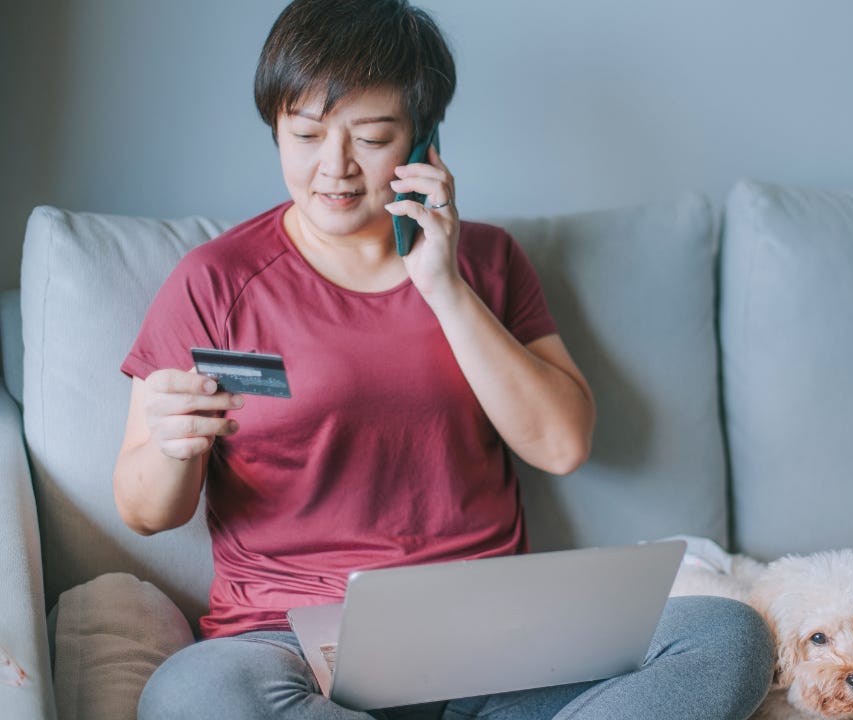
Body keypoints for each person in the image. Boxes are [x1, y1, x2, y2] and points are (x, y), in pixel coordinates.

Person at [112, 1, 774, 718]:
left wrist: (444, 286)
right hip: (290, 648)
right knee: (188, 696)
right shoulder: (215, 280)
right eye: (305, 134)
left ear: (424, 141)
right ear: (275, 126)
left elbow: (562, 444)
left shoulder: (488, 262)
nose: (332, 167)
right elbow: (143, 509)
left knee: (725, 635)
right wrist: (176, 445)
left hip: (489, 643)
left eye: (371, 137)